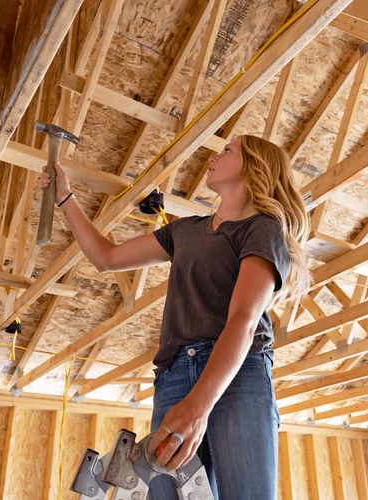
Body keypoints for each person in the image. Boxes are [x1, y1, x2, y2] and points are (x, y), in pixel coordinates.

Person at [40, 134, 310, 499]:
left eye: (227, 150)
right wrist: (65, 199)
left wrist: (199, 406)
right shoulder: (185, 230)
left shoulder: (263, 228)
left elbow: (244, 320)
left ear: (254, 166)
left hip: (239, 373)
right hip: (175, 375)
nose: (213, 156)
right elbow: (106, 257)